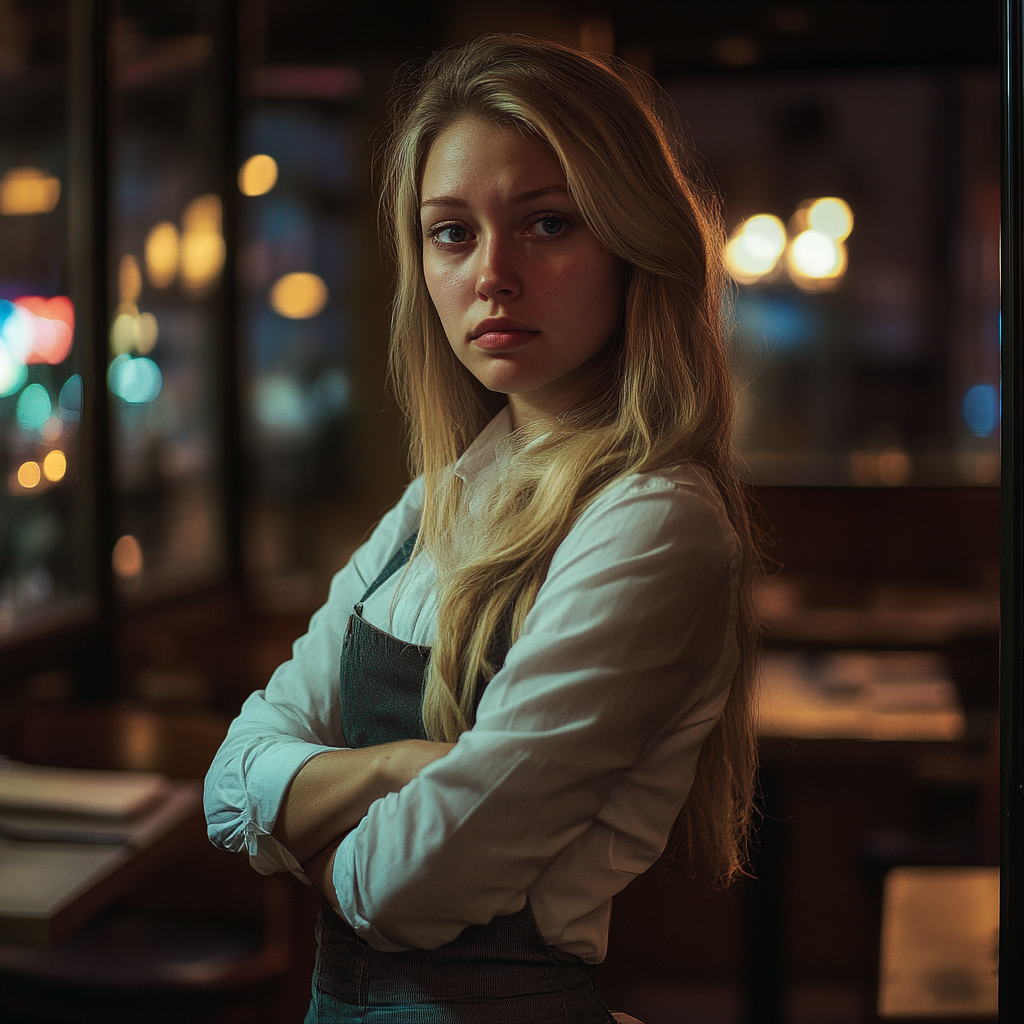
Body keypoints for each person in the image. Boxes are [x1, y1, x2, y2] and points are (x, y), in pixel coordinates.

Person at [204, 33, 762, 1024]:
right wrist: (387, 767)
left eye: (546, 223)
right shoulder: (435, 500)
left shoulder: (655, 522)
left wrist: (302, 821)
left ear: (632, 241)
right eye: (451, 233)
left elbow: (401, 886)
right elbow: (227, 779)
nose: (491, 275)